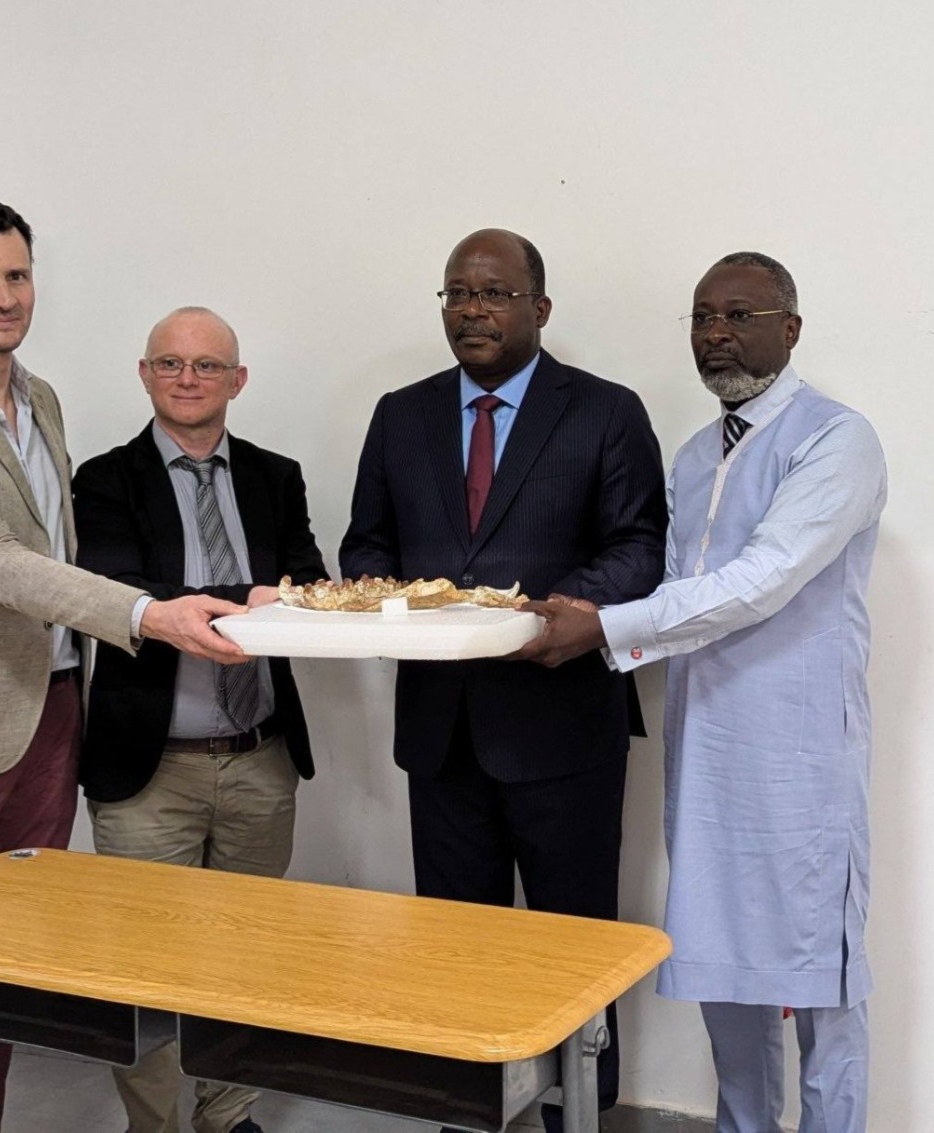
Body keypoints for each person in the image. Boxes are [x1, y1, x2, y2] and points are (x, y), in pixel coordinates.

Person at [0, 195, 249, 1133]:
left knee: (8, 973)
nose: (3, 296)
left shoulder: (41, 398)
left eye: (16, 275)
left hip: (48, 710)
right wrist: (146, 613)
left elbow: (48, 550)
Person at [525, 253, 886, 1133]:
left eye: (738, 314)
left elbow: (760, 580)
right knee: (725, 969)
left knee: (823, 985)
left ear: (789, 328)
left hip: (799, 763)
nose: (716, 333)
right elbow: (677, 589)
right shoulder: (693, 455)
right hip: (709, 753)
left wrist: (602, 628)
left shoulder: (837, 439)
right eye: (701, 316)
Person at [338, 228, 667, 1128]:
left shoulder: (605, 410)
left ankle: (580, 1113)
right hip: (441, 732)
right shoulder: (399, 413)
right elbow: (365, 545)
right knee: (453, 946)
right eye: (455, 294)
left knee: (573, 946)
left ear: (539, 309)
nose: (472, 311)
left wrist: (551, 612)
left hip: (564, 726)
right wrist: (400, 602)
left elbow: (641, 545)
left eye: (492, 293)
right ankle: (468, 1108)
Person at [72, 306, 328, 1133]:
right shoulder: (103, 479)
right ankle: (154, 1123)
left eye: (207, 365)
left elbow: (310, 580)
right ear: (145, 375)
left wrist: (285, 595)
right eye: (171, 364)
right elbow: (116, 583)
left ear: (237, 380)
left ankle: (229, 1113)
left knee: (247, 954)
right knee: (143, 964)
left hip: (258, 756)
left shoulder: (274, 475)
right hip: (149, 767)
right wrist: (232, 600)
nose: (188, 379)